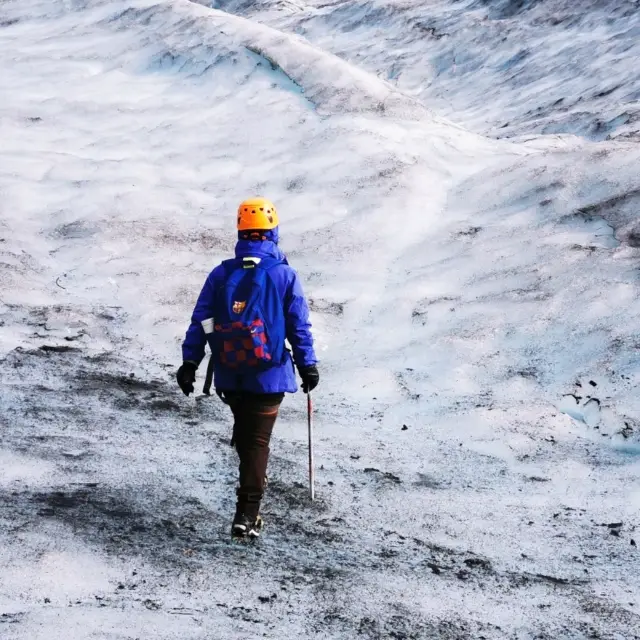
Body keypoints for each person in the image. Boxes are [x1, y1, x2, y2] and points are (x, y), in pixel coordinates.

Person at [176, 197, 319, 539]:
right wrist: (307, 365)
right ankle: (247, 514)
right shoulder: (285, 275)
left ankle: (250, 489)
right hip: (269, 374)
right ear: (274, 232)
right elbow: (298, 324)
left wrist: (190, 361)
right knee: (256, 442)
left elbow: (201, 320)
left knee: (246, 436)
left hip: (229, 372)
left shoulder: (222, 273)